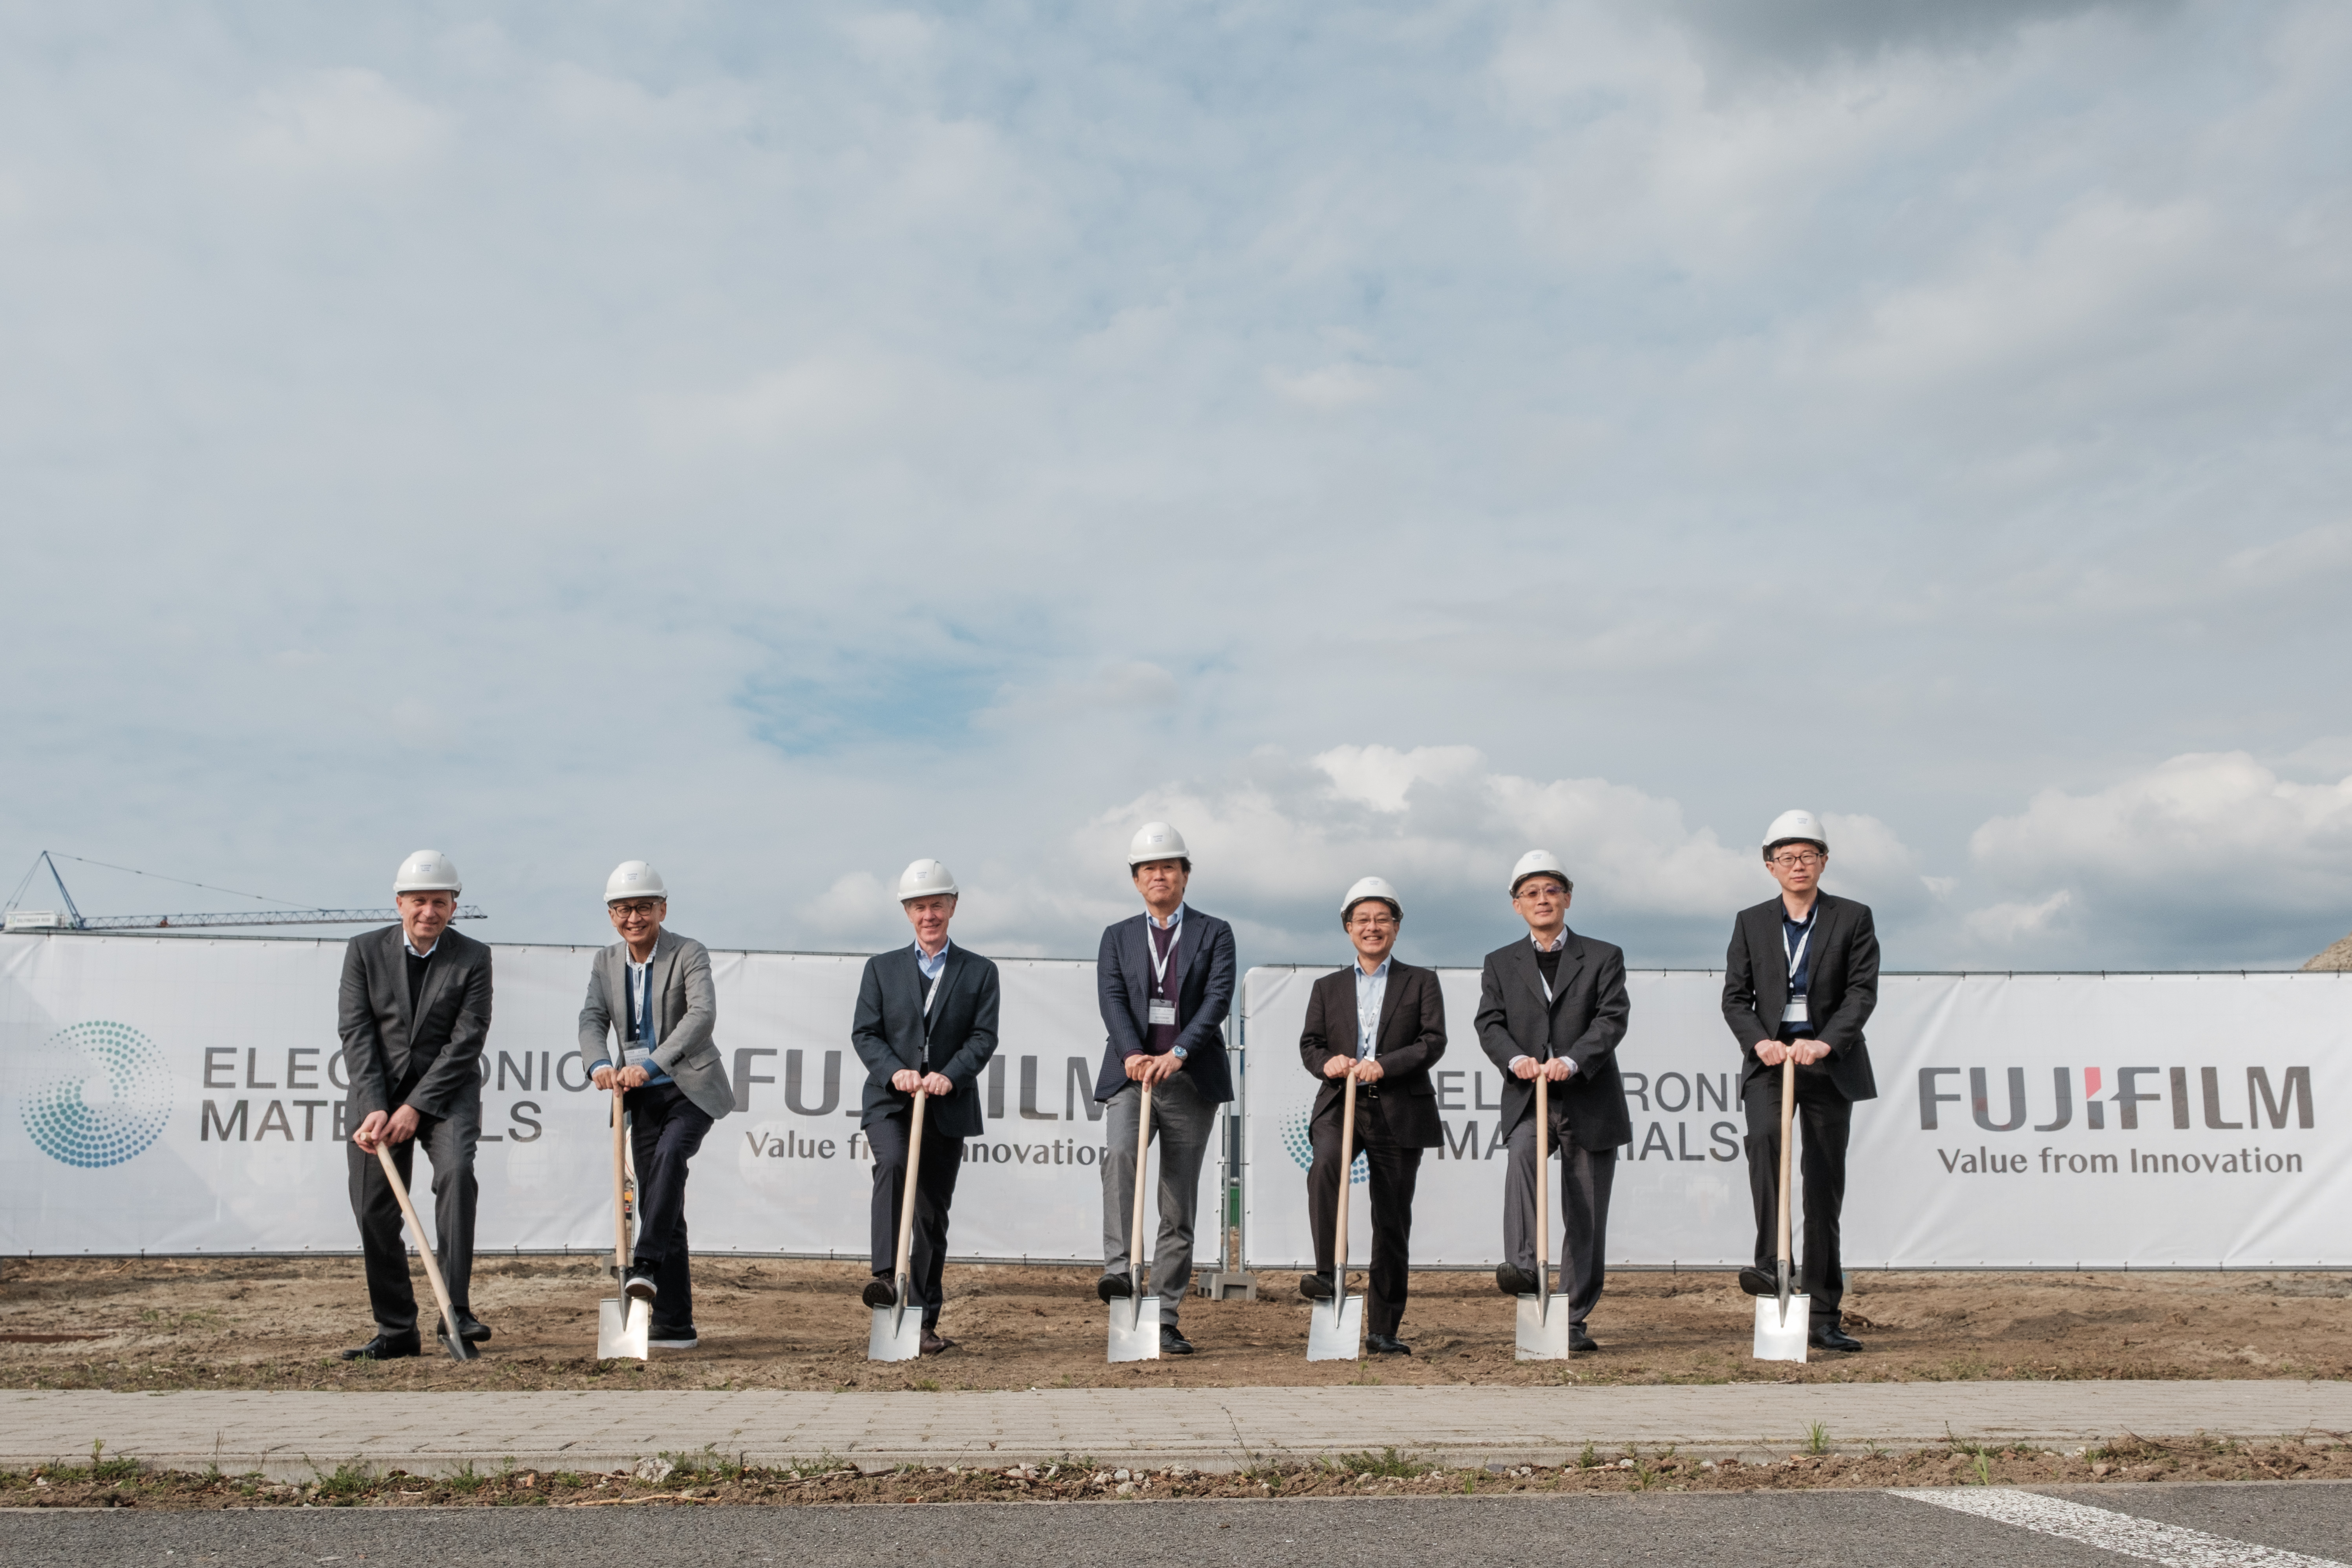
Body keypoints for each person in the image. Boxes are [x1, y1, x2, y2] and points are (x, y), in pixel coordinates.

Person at [1721, 810, 1879, 1354]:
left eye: (1806, 856)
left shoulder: (1852, 916)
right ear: (1770, 867)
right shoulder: (1750, 922)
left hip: (1826, 1063)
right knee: (1764, 1145)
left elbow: (1860, 991)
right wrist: (1758, 1041)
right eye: (1785, 858)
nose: (1797, 865)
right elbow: (1734, 997)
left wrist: (1825, 1041)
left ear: (1823, 862)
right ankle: (1770, 1271)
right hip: (1770, 1062)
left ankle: (1822, 1313)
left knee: (1821, 1184)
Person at [1473, 850, 1631, 1353]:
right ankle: (1523, 1268)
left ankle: (1573, 1315)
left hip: (1588, 1097)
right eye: (1531, 893)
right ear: (1517, 905)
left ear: (1567, 898)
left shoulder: (1604, 955)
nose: (1543, 900)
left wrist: (1575, 1059)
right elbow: (1489, 1023)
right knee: (1522, 1158)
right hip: (1529, 1097)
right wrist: (1514, 1057)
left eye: (1551, 891)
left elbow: (1611, 1018)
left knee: (1585, 1209)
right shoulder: (1500, 962)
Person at [339, 850, 495, 1360]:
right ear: (400, 902)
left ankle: (456, 1311)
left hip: (446, 1096)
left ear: (454, 905)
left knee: (455, 1173)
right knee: (374, 1210)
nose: (429, 911)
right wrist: (376, 1105)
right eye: (419, 901)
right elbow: (357, 1032)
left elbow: (466, 1039)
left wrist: (416, 1106)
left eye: (440, 901)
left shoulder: (473, 956)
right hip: (374, 1101)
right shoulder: (363, 951)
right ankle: (396, 1329)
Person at [578, 860, 736, 1351]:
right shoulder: (606, 963)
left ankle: (643, 1265)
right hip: (638, 1093)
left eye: (644, 907)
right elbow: (592, 1017)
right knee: (660, 1197)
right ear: (611, 915)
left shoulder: (689, 952)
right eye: (623, 909)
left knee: (670, 1160)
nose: (634, 917)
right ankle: (674, 1323)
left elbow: (701, 1014)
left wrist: (653, 1063)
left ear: (662, 909)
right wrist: (598, 1062)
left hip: (689, 1087)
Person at [1091, 822, 1237, 1356]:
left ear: (1185, 874)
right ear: (1136, 880)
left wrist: (1177, 1053)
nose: (1159, 875)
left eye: (1168, 866)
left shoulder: (1214, 931)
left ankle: (1164, 1314)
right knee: (1121, 1158)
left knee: (1178, 1199)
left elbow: (1217, 998)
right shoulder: (1117, 936)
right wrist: (1133, 1054)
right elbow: (1111, 997)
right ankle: (1118, 1277)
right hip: (1131, 1075)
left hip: (1189, 1077)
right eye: (1149, 868)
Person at [850, 859, 1002, 1355]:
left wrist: (949, 1075)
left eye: (938, 904)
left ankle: (922, 1322)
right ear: (907, 911)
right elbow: (865, 1034)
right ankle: (885, 1281)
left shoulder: (979, 971)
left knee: (931, 1216)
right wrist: (896, 1070)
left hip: (946, 1105)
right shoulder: (882, 969)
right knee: (893, 1164)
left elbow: (983, 1037)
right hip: (891, 1103)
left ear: (953, 907)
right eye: (920, 906)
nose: (929, 914)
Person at [1295, 876, 1447, 1355]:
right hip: (1341, 1103)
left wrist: (1387, 1065)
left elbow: (1432, 1041)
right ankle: (1327, 1274)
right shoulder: (1327, 987)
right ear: (1348, 927)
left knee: (1392, 1219)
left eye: (1383, 919)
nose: (1373, 927)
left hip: (1399, 1107)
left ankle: (1384, 1327)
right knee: (1325, 1166)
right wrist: (1327, 1063)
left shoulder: (1421, 981)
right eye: (1363, 919)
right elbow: (1311, 1044)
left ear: (1397, 928)